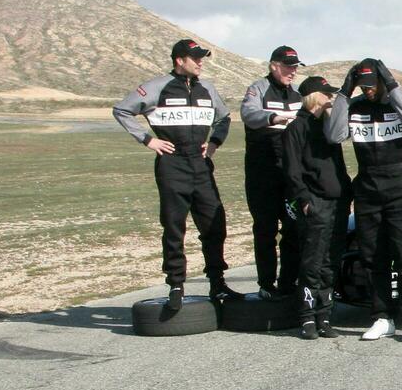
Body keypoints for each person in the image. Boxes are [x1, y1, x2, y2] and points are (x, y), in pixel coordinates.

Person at [112, 38, 232, 310]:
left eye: (202, 58)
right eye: (196, 58)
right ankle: (176, 285)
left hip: (200, 166)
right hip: (172, 164)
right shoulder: (156, 87)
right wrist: (147, 139)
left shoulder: (207, 89)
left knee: (214, 225)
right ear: (179, 60)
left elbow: (224, 118)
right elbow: (121, 109)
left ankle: (218, 283)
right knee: (174, 227)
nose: (201, 62)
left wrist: (214, 143)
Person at [325, 58, 402, 341]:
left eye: (372, 85)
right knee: (372, 258)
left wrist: (393, 86)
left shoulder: (399, 103)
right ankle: (382, 317)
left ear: (382, 82)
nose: (368, 91)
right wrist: (344, 93)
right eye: (363, 86)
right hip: (368, 191)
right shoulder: (354, 107)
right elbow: (334, 135)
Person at [281, 76, 352, 340]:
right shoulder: (296, 129)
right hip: (315, 204)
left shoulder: (327, 127)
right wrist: (304, 200)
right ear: (313, 96)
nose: (330, 98)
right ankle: (306, 318)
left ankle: (324, 316)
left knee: (330, 262)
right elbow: (291, 170)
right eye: (326, 94)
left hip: (338, 203)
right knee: (312, 262)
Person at [240, 46, 305, 300]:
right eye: (288, 66)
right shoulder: (258, 88)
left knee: (294, 228)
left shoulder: (298, 94)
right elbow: (249, 114)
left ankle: (289, 283)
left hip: (289, 173)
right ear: (274, 66)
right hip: (262, 172)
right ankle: (267, 284)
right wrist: (274, 117)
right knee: (265, 229)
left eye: (296, 66)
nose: (293, 71)